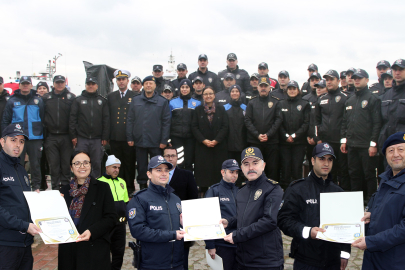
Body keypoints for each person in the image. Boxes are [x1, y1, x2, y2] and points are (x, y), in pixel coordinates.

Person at [278, 143, 351, 270]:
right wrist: (307, 231)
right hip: (306, 259)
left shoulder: (338, 192)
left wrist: (344, 253)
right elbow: (284, 220)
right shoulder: (297, 189)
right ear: (312, 160)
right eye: (322, 159)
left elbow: (344, 225)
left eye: (330, 159)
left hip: (332, 261)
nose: (326, 163)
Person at [221, 147, 284, 270]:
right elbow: (245, 216)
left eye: (255, 163)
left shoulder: (273, 189)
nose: (251, 168)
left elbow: (269, 221)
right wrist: (229, 222)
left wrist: (237, 235)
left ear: (263, 165)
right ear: (242, 168)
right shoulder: (241, 191)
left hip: (265, 261)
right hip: (243, 260)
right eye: (246, 164)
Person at [353, 132, 405, 269]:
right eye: (390, 150)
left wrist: (371, 242)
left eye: (401, 149)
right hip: (373, 260)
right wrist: (372, 214)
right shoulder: (385, 180)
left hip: (396, 262)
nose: (395, 154)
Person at [58, 151, 117, 270]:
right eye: (77, 163)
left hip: (94, 248)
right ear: (71, 167)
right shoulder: (63, 191)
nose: (82, 166)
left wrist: (92, 231)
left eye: (86, 163)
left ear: (91, 165)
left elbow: (111, 217)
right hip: (69, 250)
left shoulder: (102, 188)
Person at [126, 155, 185, 270]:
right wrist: (172, 235)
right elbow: (138, 231)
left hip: (177, 263)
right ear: (149, 174)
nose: (163, 173)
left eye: (166, 170)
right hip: (152, 264)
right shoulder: (140, 199)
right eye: (158, 170)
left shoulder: (175, 199)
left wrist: (185, 224)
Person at [0, 124, 41, 270]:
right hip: (5, 244)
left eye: (22, 141)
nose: (18, 145)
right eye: (13, 140)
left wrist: (38, 201)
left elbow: (21, 203)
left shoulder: (22, 170)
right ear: (2, 142)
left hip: (25, 244)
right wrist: (24, 226)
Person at [341, 69, 381, 203]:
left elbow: (377, 123)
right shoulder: (350, 100)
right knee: (353, 174)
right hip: (352, 144)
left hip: (366, 146)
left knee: (369, 174)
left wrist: (373, 143)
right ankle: (356, 200)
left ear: (367, 80)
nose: (356, 80)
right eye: (355, 78)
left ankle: (371, 200)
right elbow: (345, 122)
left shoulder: (372, 99)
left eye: (360, 78)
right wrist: (344, 141)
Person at [127, 76, 171, 190]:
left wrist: (164, 140)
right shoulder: (135, 100)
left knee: (157, 166)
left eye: (150, 83)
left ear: (155, 85)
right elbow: (130, 120)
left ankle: (156, 187)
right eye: (146, 83)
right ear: (143, 85)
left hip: (156, 141)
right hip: (139, 139)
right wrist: (129, 137)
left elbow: (166, 122)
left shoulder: (162, 101)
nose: (148, 85)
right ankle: (142, 186)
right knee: (141, 166)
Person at [2, 76, 45, 191]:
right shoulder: (12, 100)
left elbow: (44, 119)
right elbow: (6, 120)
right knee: (17, 162)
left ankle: (36, 187)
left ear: (31, 85)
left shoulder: (38, 100)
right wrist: (5, 137)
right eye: (23, 84)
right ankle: (19, 186)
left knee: (35, 163)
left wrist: (44, 137)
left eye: (27, 84)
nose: (25, 86)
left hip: (35, 137)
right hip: (17, 138)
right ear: (20, 85)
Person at [164, 146, 198, 270]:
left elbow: (193, 199)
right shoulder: (157, 176)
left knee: (182, 262)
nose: (170, 158)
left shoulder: (187, 175)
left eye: (173, 156)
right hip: (162, 225)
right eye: (167, 156)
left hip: (181, 224)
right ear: (163, 158)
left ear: (177, 158)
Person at [315, 70, 350, 190]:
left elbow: (348, 121)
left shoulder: (345, 98)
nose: (329, 82)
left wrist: (344, 139)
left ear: (338, 81)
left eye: (332, 79)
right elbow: (316, 121)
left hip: (340, 142)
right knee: (327, 170)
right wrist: (318, 138)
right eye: (327, 80)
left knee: (343, 170)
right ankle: (328, 193)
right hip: (325, 142)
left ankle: (343, 194)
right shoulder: (321, 99)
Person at [69, 77, 110, 178]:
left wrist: (105, 137)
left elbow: (106, 120)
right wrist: (73, 136)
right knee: (81, 163)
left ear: (97, 86)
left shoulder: (102, 101)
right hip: (82, 138)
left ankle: (95, 185)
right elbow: (72, 119)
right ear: (85, 85)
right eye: (88, 84)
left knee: (96, 163)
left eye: (93, 84)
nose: (90, 86)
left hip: (97, 139)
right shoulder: (78, 100)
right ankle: (80, 185)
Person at [192, 86, 229, 196]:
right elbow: (194, 127)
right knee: (203, 170)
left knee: (217, 170)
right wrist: (204, 140)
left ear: (214, 95)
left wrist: (216, 140)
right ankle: (203, 191)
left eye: (210, 94)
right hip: (202, 146)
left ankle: (217, 191)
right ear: (203, 96)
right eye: (206, 94)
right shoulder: (198, 110)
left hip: (218, 145)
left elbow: (225, 126)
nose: (208, 96)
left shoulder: (221, 109)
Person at [245, 76, 283, 181]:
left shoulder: (276, 102)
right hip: (255, 141)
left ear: (269, 87)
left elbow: (278, 120)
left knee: (272, 168)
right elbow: (247, 120)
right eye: (261, 86)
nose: (263, 88)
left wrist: (268, 134)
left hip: (272, 141)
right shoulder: (252, 102)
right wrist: (257, 135)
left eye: (265, 86)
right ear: (257, 87)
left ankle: (272, 191)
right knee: (255, 169)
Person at [43, 75, 76, 190]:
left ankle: (66, 188)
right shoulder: (46, 98)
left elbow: (74, 117)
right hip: (51, 137)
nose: (60, 84)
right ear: (53, 84)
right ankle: (55, 188)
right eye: (57, 82)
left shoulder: (71, 97)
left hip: (66, 136)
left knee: (66, 164)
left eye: (62, 82)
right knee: (54, 165)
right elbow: (42, 116)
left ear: (65, 83)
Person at [205, 159, 239, 270]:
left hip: (239, 242)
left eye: (236, 172)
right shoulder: (214, 191)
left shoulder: (240, 191)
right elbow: (208, 218)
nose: (234, 175)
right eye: (231, 172)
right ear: (223, 172)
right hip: (222, 244)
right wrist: (210, 246)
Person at [107, 69, 137, 196]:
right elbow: (107, 117)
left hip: (129, 136)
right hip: (115, 136)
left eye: (123, 79)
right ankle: (118, 186)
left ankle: (129, 187)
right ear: (116, 81)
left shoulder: (135, 96)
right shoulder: (111, 97)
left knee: (129, 163)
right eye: (119, 80)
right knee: (116, 164)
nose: (121, 82)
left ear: (127, 81)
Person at [97, 155, 129, 270]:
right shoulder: (99, 182)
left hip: (120, 223)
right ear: (107, 167)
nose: (116, 170)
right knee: (104, 251)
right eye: (114, 167)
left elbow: (125, 202)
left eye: (118, 168)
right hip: (106, 224)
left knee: (119, 251)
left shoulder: (122, 182)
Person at [279, 80, 310, 189]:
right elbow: (279, 122)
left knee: (297, 168)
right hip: (284, 142)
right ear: (287, 90)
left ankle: (298, 190)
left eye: (294, 88)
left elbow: (306, 123)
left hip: (299, 143)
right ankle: (285, 192)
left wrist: (295, 136)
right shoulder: (281, 103)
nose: (292, 91)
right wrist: (286, 136)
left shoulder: (304, 104)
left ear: (298, 90)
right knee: (285, 167)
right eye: (290, 89)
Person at [169, 79, 201, 172]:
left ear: (190, 88)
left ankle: (189, 184)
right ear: (179, 89)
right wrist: (168, 138)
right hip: (177, 137)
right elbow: (168, 121)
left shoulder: (197, 103)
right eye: (182, 87)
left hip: (191, 138)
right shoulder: (172, 102)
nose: (184, 89)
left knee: (189, 162)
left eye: (187, 87)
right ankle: (178, 185)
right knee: (179, 162)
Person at [378, 59, 405, 161]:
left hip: (403, 146)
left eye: (401, 69)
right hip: (388, 145)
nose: (397, 72)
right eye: (395, 70)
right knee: (388, 175)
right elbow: (381, 122)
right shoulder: (386, 95)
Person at [224, 85, 247, 174]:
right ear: (230, 93)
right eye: (232, 91)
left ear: (240, 93)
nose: (235, 93)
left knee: (241, 167)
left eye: (237, 91)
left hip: (242, 143)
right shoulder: (224, 108)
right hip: (228, 144)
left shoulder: (245, 108)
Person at [36, 81, 50, 190]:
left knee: (48, 160)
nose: (42, 90)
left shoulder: (50, 101)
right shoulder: (34, 101)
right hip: (37, 135)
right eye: (40, 88)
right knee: (39, 160)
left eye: (44, 88)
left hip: (49, 134)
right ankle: (41, 183)